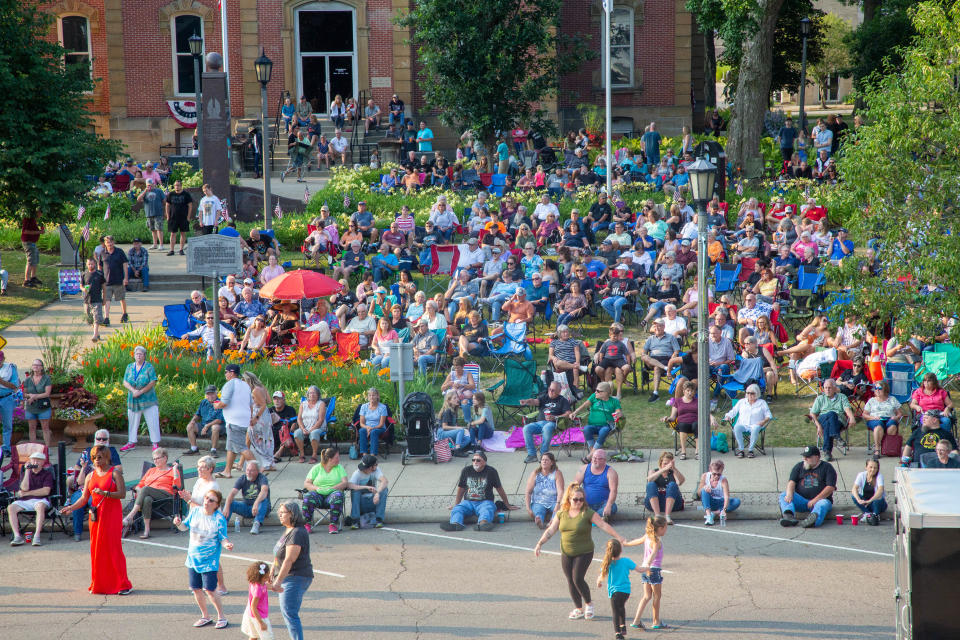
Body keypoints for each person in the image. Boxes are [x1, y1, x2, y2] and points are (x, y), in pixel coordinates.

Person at [533, 482, 627, 622]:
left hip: (584, 551)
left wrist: (619, 537)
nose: (578, 502)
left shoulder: (587, 513)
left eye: (581, 499)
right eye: (575, 499)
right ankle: (578, 608)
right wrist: (540, 543)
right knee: (570, 580)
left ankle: (589, 604)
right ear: (569, 499)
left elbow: (603, 525)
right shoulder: (561, 514)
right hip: (566, 552)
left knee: (577, 578)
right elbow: (551, 530)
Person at [61, 445, 132, 594]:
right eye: (94, 457)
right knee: (97, 549)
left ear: (107, 457)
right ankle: (99, 583)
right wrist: (70, 507)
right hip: (96, 516)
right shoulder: (90, 476)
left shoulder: (115, 473)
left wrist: (106, 493)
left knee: (114, 549)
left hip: (112, 514)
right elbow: (84, 498)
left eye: (99, 457)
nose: (96, 460)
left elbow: (122, 494)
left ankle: (123, 584)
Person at [173, 489, 233, 630]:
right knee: (196, 589)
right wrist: (178, 523)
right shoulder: (195, 512)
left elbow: (222, 538)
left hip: (209, 561)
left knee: (210, 590)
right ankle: (205, 616)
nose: (207, 502)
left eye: (211, 500)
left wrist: (227, 545)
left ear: (217, 505)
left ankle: (221, 617)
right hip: (193, 559)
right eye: (206, 498)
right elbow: (183, 528)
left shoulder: (219, 519)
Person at [441, 451, 518, 531]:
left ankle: (483, 524)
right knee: (457, 509)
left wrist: (507, 504)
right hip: (468, 502)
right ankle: (455, 524)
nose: (475, 462)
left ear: (484, 462)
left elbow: (499, 489)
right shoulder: (466, 470)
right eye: (473, 460)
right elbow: (461, 489)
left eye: (478, 460)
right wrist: (456, 504)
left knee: (487, 509)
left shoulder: (491, 471)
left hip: (485, 502)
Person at [271, 501, 313, 640]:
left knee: (290, 613)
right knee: (289, 613)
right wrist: (273, 568)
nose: (280, 515)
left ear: (292, 514)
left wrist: (278, 581)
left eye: (283, 512)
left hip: (295, 577)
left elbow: (289, 559)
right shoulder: (289, 530)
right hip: (289, 577)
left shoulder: (297, 533)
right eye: (279, 512)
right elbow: (280, 553)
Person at [778, 445, 837, 528]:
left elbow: (830, 487)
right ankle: (789, 516)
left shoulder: (827, 468)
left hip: (819, 501)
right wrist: (789, 494)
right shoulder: (799, 466)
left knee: (823, 504)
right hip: (802, 501)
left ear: (817, 457)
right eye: (804, 456)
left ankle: (813, 520)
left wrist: (815, 500)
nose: (804, 459)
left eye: (808, 457)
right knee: (784, 495)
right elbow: (791, 482)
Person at [629, 516, 670, 631]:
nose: (666, 530)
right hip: (653, 570)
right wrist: (648, 565)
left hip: (645, 569)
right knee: (657, 596)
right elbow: (653, 555)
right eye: (665, 528)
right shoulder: (656, 541)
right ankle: (656, 621)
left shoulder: (647, 536)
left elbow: (637, 541)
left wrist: (626, 544)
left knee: (647, 596)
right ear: (660, 528)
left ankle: (636, 620)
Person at [6, 451, 54, 547]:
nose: (35, 463)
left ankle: (37, 536)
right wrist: (27, 472)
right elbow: (24, 488)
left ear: (43, 462)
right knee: (11, 507)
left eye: (38, 461)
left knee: (40, 506)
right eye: (33, 460)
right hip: (26, 501)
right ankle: (17, 536)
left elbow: (45, 491)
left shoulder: (47, 474)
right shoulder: (25, 474)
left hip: (41, 500)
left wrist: (26, 493)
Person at [119, 345, 161, 452]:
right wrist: (134, 391)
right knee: (133, 421)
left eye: (141, 354)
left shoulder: (149, 367)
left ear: (144, 356)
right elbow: (125, 381)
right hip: (133, 399)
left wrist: (141, 391)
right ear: (134, 355)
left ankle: (155, 443)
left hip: (148, 399)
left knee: (152, 421)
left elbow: (152, 381)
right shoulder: (129, 367)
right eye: (137, 354)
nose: (138, 356)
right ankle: (131, 442)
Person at [214, 364, 252, 479]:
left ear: (231, 373)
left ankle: (258, 470)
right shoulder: (246, 385)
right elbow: (250, 405)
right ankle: (227, 471)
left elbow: (224, 403)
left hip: (234, 420)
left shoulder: (229, 384)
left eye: (226, 372)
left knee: (241, 447)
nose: (225, 374)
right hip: (244, 419)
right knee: (231, 447)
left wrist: (216, 405)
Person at [520, 381, 572, 463]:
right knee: (526, 428)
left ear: (559, 391)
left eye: (553, 390)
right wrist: (527, 401)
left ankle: (544, 455)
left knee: (547, 427)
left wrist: (555, 417)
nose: (550, 391)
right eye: (550, 389)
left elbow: (568, 413)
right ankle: (532, 455)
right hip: (539, 423)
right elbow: (534, 401)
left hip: (553, 424)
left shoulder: (563, 400)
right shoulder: (544, 397)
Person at [809, 378, 856, 462]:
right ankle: (836, 436)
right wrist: (818, 425)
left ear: (835, 388)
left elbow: (847, 409)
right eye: (825, 388)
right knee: (830, 414)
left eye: (829, 387)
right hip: (823, 419)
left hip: (838, 421)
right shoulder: (820, 398)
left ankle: (827, 452)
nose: (827, 390)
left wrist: (852, 417)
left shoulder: (842, 397)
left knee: (828, 422)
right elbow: (812, 414)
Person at [302, 447, 347, 534]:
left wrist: (333, 488)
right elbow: (307, 483)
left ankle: (333, 524)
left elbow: (345, 483)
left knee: (338, 495)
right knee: (308, 497)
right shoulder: (316, 468)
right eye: (337, 457)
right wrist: (316, 488)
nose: (339, 459)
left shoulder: (339, 468)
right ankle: (307, 524)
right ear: (330, 459)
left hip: (332, 495)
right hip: (318, 495)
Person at [571, 382, 622, 458]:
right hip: (592, 425)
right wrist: (575, 412)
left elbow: (619, 411)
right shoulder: (594, 397)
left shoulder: (614, 401)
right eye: (596, 390)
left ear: (606, 393)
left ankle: (591, 455)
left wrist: (618, 414)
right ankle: (593, 453)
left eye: (598, 391)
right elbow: (585, 405)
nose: (595, 392)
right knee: (586, 429)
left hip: (606, 426)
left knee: (604, 431)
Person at [722, 384, 772, 459]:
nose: (749, 395)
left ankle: (750, 450)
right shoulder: (741, 402)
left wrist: (763, 421)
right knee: (736, 427)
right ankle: (741, 449)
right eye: (748, 393)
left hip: (756, 424)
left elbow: (769, 415)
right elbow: (733, 411)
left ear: (757, 393)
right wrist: (727, 416)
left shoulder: (762, 403)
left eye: (752, 393)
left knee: (755, 428)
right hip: (743, 424)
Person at [224, 460, 271, 536]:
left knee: (263, 500)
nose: (248, 473)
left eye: (252, 471)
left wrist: (256, 503)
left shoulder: (262, 478)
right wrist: (226, 506)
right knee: (231, 503)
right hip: (247, 507)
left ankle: (256, 524)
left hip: (261, 508)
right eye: (247, 470)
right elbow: (232, 493)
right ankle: (223, 525)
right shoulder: (242, 478)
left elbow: (264, 492)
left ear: (257, 471)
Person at [242, 372, 275, 473]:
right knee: (266, 439)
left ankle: (265, 464)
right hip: (265, 416)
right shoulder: (261, 387)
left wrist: (255, 418)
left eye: (244, 380)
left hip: (259, 416)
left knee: (257, 440)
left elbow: (264, 404)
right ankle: (269, 463)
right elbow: (269, 401)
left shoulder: (255, 390)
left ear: (248, 380)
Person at [640, 319, 680, 402]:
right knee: (644, 357)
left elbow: (676, 351)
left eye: (659, 326)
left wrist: (672, 360)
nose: (657, 328)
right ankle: (665, 368)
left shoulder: (671, 337)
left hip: (666, 359)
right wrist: (644, 355)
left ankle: (655, 394)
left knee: (657, 368)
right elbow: (643, 352)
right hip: (652, 359)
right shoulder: (650, 338)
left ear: (664, 327)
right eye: (655, 326)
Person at [593, 323, 636, 399]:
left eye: (622, 331)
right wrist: (597, 356)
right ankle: (608, 393)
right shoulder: (607, 341)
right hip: (608, 362)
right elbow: (601, 352)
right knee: (608, 370)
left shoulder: (625, 341)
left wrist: (633, 357)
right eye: (618, 331)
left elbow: (630, 353)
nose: (620, 332)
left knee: (618, 370)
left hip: (620, 362)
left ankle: (619, 393)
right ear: (611, 333)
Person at [862, 381, 903, 458]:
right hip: (875, 419)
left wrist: (896, 417)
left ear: (885, 389)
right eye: (875, 388)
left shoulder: (892, 399)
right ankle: (877, 449)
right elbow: (864, 414)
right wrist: (873, 417)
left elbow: (900, 413)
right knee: (878, 426)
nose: (877, 390)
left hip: (889, 418)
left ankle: (888, 448)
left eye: (879, 388)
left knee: (892, 426)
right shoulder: (871, 400)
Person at [524, 452, 564, 529]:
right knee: (539, 511)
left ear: (552, 462)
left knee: (559, 510)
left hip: (553, 501)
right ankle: (539, 522)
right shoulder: (535, 473)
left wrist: (558, 504)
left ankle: (553, 521)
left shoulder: (557, 473)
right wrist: (528, 508)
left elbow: (561, 491)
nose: (544, 461)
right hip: (538, 502)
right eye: (542, 460)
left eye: (546, 460)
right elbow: (528, 492)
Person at [348, 454, 389, 528]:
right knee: (355, 491)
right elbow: (350, 485)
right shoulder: (357, 473)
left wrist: (377, 493)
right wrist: (365, 487)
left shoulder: (376, 470)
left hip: (373, 501)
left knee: (384, 490)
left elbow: (385, 481)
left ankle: (378, 519)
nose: (363, 469)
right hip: (361, 504)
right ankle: (355, 520)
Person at [644, 451, 684, 524]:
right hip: (655, 502)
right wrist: (662, 470)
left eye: (669, 464)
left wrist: (674, 468)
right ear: (660, 463)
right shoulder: (654, 471)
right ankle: (657, 515)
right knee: (651, 485)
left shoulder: (673, 472)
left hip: (673, 504)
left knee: (672, 484)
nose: (667, 466)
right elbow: (649, 479)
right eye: (665, 463)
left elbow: (680, 482)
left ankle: (667, 516)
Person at [698, 459, 741, 526]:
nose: (716, 476)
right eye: (714, 474)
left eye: (719, 474)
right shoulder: (705, 476)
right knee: (704, 491)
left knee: (737, 501)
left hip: (721, 502)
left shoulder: (723, 480)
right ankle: (709, 516)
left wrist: (724, 509)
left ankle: (714, 513)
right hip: (710, 501)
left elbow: (726, 497)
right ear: (710, 470)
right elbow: (699, 493)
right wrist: (704, 488)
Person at [662, 381, 698, 460]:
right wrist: (667, 418)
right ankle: (683, 451)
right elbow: (673, 417)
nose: (690, 392)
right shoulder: (677, 401)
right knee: (683, 425)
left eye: (692, 391)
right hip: (682, 424)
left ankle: (697, 451)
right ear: (683, 391)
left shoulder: (697, 401)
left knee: (697, 425)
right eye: (688, 390)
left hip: (695, 423)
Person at [22, 358, 52, 448]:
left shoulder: (46, 378)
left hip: (43, 407)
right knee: (31, 428)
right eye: (34, 365)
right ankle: (33, 448)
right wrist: (29, 396)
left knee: (45, 427)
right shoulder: (28, 380)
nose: (35, 366)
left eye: (37, 365)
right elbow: (24, 393)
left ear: (42, 367)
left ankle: (47, 448)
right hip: (31, 407)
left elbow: (47, 393)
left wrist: (33, 396)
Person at [98, 235, 129, 324]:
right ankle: (107, 317)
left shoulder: (119, 252)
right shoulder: (102, 253)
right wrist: (100, 278)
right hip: (106, 281)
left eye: (111, 242)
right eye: (108, 242)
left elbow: (125, 264)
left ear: (113, 242)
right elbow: (100, 266)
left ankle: (124, 314)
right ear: (105, 243)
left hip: (118, 280)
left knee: (121, 298)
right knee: (107, 299)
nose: (110, 244)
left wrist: (125, 278)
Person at [294, 385, 328, 464]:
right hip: (305, 427)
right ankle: (302, 454)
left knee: (313, 434)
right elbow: (299, 419)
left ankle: (314, 455)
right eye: (310, 393)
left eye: (314, 393)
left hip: (318, 427)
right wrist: (303, 429)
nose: (312, 395)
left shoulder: (321, 404)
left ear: (318, 394)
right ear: (307, 394)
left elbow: (320, 420)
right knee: (297, 433)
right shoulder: (303, 404)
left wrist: (310, 430)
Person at [242, 560, 275, 640]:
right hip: (259, 615)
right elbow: (254, 607)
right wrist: (261, 622)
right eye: (266, 577)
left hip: (249, 614)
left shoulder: (255, 582)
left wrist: (274, 587)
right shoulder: (258, 590)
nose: (268, 578)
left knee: (254, 635)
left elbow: (265, 586)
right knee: (268, 637)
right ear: (260, 578)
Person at [851, 458, 886, 526]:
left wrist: (870, 501)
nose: (873, 470)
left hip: (876, 502)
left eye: (875, 468)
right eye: (870, 467)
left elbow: (880, 490)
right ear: (866, 467)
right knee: (854, 496)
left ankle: (875, 515)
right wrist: (858, 499)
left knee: (878, 499)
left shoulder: (879, 476)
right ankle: (868, 514)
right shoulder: (861, 475)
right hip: (866, 502)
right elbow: (854, 489)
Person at [356, 387, 389, 456]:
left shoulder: (382, 407)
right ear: (368, 397)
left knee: (374, 432)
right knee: (362, 431)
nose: (371, 397)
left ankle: (372, 456)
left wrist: (371, 429)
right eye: (370, 395)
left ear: (377, 396)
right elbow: (361, 423)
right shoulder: (363, 407)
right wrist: (367, 428)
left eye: (373, 395)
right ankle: (364, 455)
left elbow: (381, 424)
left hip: (379, 428)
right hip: (367, 427)